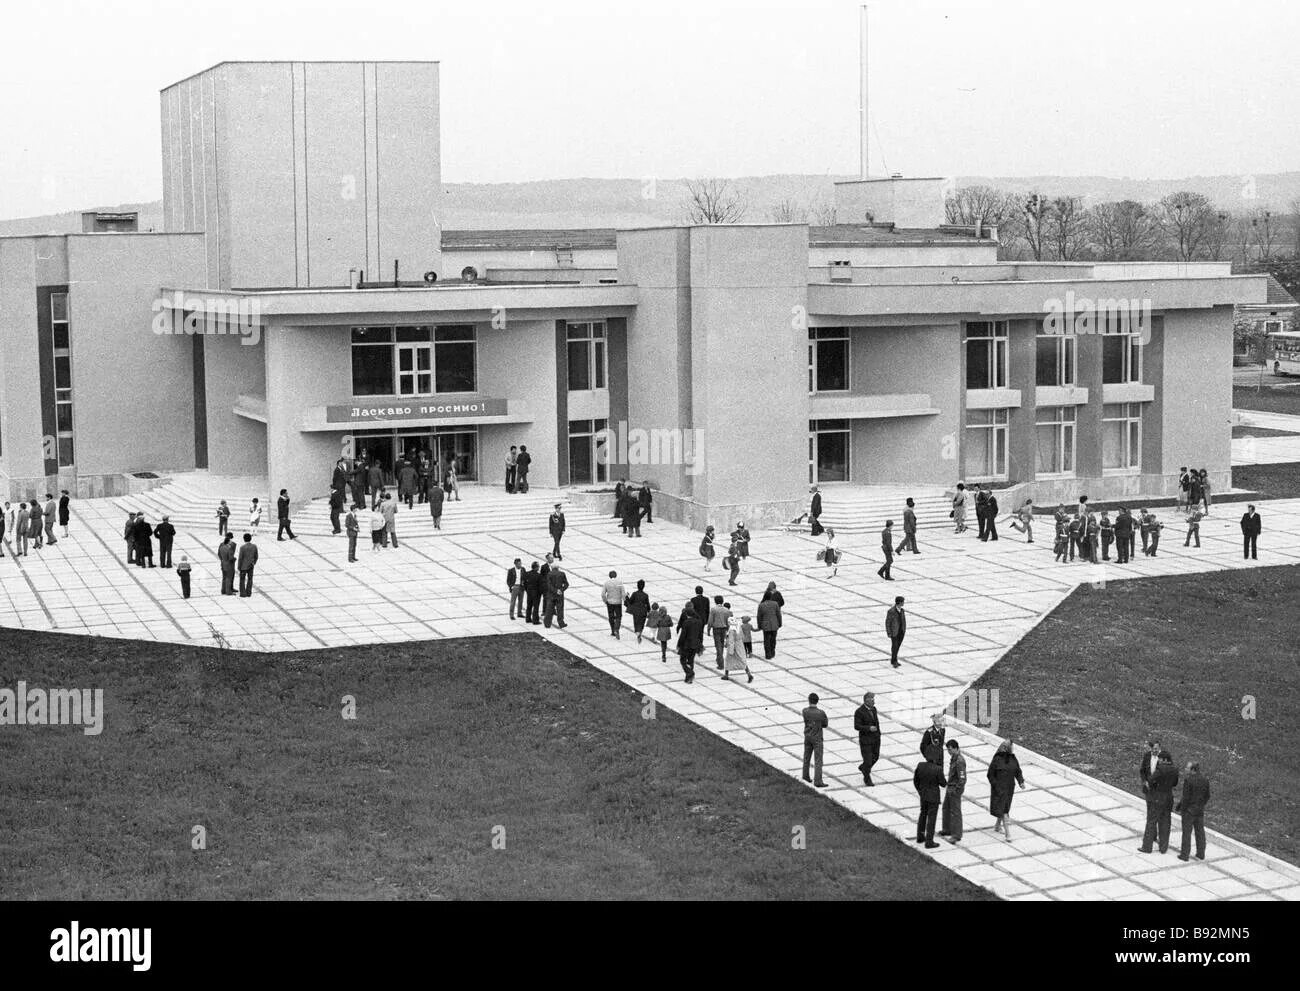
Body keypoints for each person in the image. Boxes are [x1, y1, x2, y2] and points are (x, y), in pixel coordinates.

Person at [1139, 750, 1179, 855]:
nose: (1159, 761)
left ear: (1165, 760)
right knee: (1166, 822)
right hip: (1169, 798)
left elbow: (1151, 780)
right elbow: (1175, 783)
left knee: (1151, 821)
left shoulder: (1160, 769)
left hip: (1157, 797)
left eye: (1160, 759)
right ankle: (1163, 848)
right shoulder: (1175, 769)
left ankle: (1147, 847)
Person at [987, 740, 1025, 840]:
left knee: (1005, 807)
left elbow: (1017, 771)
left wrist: (1021, 781)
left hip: (1009, 788)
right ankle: (1008, 834)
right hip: (999, 789)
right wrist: (995, 785)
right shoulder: (997, 759)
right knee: (1004, 811)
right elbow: (990, 774)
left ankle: (997, 826)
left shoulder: (1013, 758)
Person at [1176, 761, 1211, 862]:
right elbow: (1207, 796)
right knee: (1200, 832)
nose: (1186, 770)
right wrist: (1201, 805)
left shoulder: (1189, 780)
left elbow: (1186, 797)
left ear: (1193, 770)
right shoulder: (1205, 780)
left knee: (1187, 833)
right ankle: (1201, 853)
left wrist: (1183, 809)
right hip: (1199, 810)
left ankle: (1184, 855)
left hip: (1189, 811)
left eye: (1187, 768)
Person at [913, 751, 946, 848]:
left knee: (922, 814)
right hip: (933, 797)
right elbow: (943, 783)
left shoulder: (920, 766)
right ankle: (929, 841)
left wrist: (920, 791)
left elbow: (916, 780)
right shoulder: (938, 769)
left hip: (923, 795)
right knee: (931, 818)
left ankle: (920, 836)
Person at [940, 739, 966, 843]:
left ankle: (956, 835)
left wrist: (956, 790)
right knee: (946, 808)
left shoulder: (959, 761)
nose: (949, 752)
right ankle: (947, 829)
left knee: (956, 812)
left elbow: (962, 778)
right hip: (950, 787)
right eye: (948, 750)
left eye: (950, 749)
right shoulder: (954, 758)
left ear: (956, 748)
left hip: (955, 788)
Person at [801, 693, 829, 787]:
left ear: (809, 700)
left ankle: (805, 776)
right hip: (817, 738)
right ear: (817, 700)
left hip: (807, 736)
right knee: (818, 760)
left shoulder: (804, 711)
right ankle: (818, 780)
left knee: (806, 757)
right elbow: (825, 724)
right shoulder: (821, 713)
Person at [854, 692, 881, 786]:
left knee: (875, 757)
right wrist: (868, 728)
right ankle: (867, 778)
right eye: (872, 699)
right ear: (866, 700)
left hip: (875, 739)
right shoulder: (859, 711)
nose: (874, 701)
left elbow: (876, 722)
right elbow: (857, 726)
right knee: (868, 760)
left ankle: (864, 768)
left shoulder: (874, 709)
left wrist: (878, 734)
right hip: (866, 740)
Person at [720, 617, 752, 683]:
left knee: (728, 660)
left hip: (734, 648)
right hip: (740, 646)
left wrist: (730, 650)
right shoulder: (738, 627)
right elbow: (742, 636)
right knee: (742, 660)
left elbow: (731, 641)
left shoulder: (731, 630)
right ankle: (749, 674)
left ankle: (726, 675)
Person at [756, 593, 782, 660]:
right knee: (773, 639)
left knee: (766, 640)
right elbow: (778, 614)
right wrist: (780, 623)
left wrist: (759, 625)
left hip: (765, 625)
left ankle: (768, 654)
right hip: (774, 624)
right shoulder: (775, 604)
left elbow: (759, 616)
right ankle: (772, 652)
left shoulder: (761, 605)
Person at [707, 595, 731, 669]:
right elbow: (728, 621)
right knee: (721, 644)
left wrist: (708, 629)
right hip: (724, 629)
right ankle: (718, 659)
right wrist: (728, 629)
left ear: (715, 601)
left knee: (718, 646)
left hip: (716, 629)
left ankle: (721, 663)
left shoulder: (713, 609)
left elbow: (710, 620)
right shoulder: (726, 610)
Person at [544, 561, 569, 629]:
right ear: (558, 567)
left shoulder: (549, 574)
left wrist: (555, 591)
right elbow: (566, 584)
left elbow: (549, 585)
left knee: (549, 610)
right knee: (560, 609)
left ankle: (547, 624)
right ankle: (561, 623)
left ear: (551, 568)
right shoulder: (562, 574)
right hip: (559, 595)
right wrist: (561, 590)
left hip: (551, 595)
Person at [602, 571, 625, 638]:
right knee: (618, 616)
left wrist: (605, 601)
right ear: (616, 575)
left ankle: (612, 630)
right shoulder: (620, 583)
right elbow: (623, 593)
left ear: (609, 576)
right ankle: (616, 628)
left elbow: (603, 594)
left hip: (610, 602)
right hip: (618, 602)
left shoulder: (606, 583)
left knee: (611, 616)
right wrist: (624, 600)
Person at [885, 596, 906, 667]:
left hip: (901, 631)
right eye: (903, 602)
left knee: (897, 646)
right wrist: (889, 632)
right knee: (895, 646)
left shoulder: (902, 610)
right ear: (899, 602)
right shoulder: (891, 611)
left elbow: (903, 621)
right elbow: (887, 622)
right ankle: (894, 661)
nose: (903, 603)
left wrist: (904, 629)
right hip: (894, 632)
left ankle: (894, 659)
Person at [237, 532, 258, 597]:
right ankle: (249, 592)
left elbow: (240, 558)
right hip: (251, 565)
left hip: (243, 566)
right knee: (250, 579)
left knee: (242, 580)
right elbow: (256, 556)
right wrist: (254, 562)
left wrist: (239, 566)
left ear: (244, 539)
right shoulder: (254, 546)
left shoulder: (242, 547)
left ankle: (243, 593)